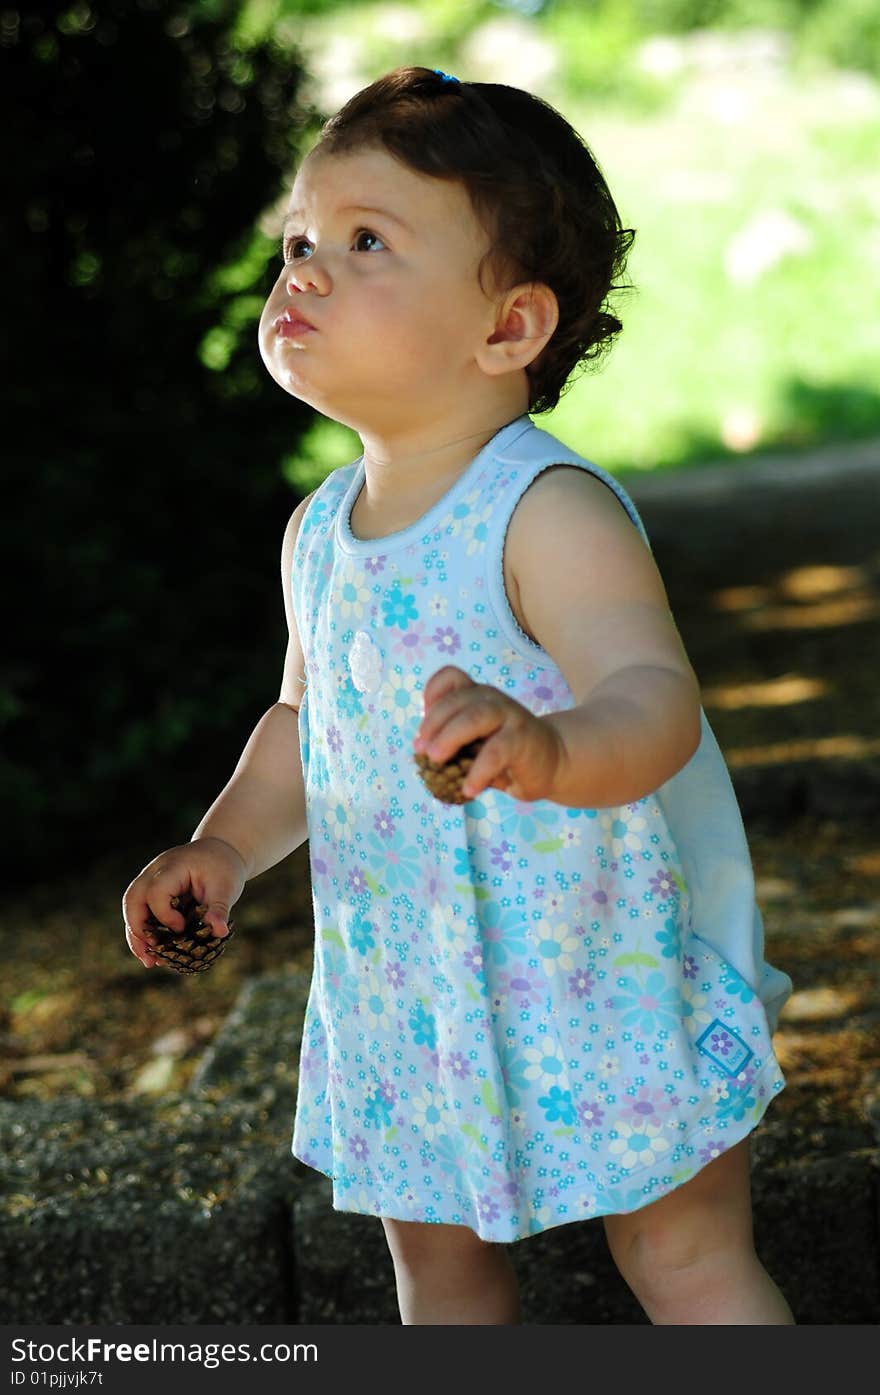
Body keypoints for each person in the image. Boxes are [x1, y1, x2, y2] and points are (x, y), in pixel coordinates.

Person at [123, 66, 794, 1325]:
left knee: (685, 1258)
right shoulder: (318, 532)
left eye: (364, 242)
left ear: (508, 329)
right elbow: (301, 731)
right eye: (300, 240)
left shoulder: (546, 509)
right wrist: (222, 847)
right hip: (406, 992)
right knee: (436, 1274)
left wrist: (544, 749)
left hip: (594, 967)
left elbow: (655, 702)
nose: (304, 271)